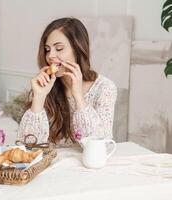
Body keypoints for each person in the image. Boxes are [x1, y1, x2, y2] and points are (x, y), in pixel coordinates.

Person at [17, 17, 117, 147]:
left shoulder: (105, 88)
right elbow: (27, 146)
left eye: (59, 48)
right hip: (51, 164)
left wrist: (78, 97)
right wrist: (39, 97)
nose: (50, 56)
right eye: (47, 49)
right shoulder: (45, 87)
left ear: (78, 49)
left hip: (87, 165)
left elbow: (101, 146)